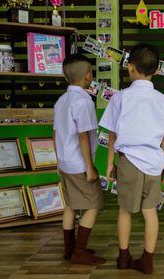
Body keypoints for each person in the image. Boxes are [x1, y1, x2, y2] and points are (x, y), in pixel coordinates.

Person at [99, 43, 164, 274]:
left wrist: (110, 162)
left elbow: (112, 134)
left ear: (130, 68)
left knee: (125, 210)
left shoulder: (119, 98)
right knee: (149, 211)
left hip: (128, 161)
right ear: (156, 70)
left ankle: (123, 258)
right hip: (154, 163)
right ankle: (148, 260)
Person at [54, 54, 105, 265]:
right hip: (79, 164)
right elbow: (83, 135)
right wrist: (90, 167)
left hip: (65, 163)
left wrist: (58, 161)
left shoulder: (61, 101)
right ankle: (79, 252)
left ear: (66, 78)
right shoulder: (84, 101)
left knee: (71, 206)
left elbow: (56, 133)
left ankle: (69, 249)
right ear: (88, 76)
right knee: (94, 204)